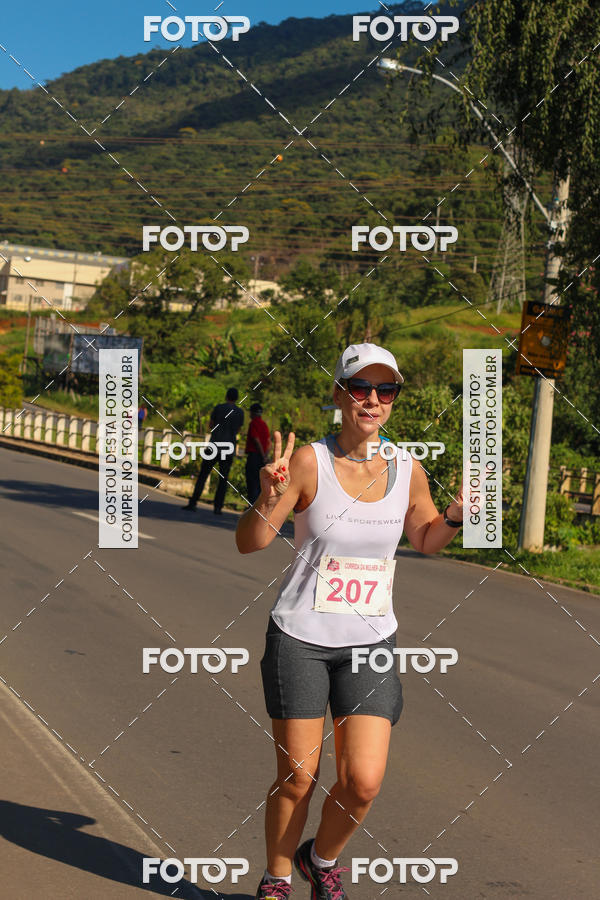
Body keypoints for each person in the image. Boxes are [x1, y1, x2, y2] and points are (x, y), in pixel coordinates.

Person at [235, 343, 464, 900]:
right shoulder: (309, 462)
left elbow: (425, 538)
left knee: (362, 782)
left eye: (386, 391)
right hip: (301, 638)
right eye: (361, 388)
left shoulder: (408, 467)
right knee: (299, 777)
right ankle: (278, 878)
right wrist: (268, 497)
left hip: (370, 642)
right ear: (339, 394)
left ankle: (321, 857)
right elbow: (251, 542)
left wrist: (456, 517)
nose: (373, 400)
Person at [184, 387, 244, 515]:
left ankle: (193, 502)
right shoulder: (240, 412)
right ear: (236, 398)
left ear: (226, 396)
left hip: (214, 444)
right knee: (223, 478)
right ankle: (218, 507)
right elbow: (238, 430)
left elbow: (211, 425)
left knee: (203, 475)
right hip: (228, 448)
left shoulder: (218, 408)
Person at [245, 403, 271, 504]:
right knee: (259, 482)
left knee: (252, 481)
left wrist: (262, 455)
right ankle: (258, 505)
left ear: (253, 413)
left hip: (254, 456)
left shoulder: (253, 423)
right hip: (262, 458)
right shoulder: (264, 425)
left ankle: (252, 506)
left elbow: (256, 440)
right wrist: (265, 456)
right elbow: (269, 442)